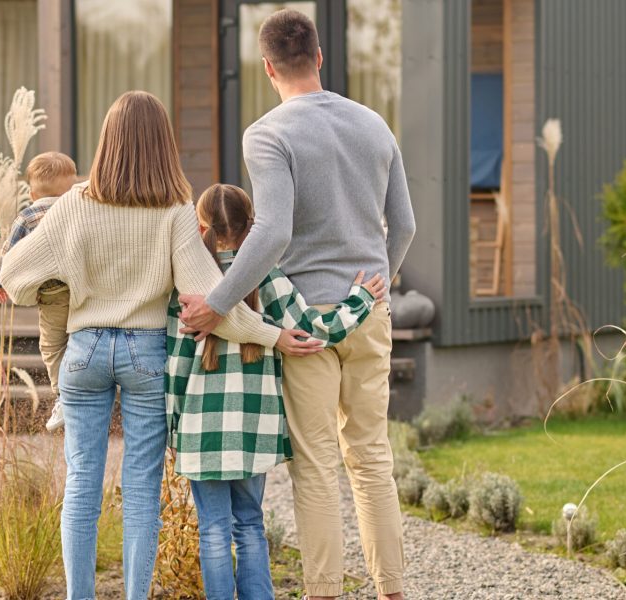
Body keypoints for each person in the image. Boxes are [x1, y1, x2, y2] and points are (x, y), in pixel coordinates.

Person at [0, 91, 324, 600]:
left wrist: (58, 288)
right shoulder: (173, 210)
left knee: (82, 483)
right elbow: (213, 305)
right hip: (145, 356)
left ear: (107, 141)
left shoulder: (73, 205)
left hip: (82, 352)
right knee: (142, 491)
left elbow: (12, 275)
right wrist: (272, 334)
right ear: (163, 145)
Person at [178, 9, 417, 599]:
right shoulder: (374, 125)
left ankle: (324, 592)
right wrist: (376, 291)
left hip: (305, 324)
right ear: (318, 58)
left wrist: (216, 303)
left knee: (316, 467)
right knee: (371, 458)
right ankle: (392, 590)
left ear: (266, 68)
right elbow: (404, 225)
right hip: (369, 311)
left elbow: (273, 231)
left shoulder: (267, 133)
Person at [167, 183, 385, 600]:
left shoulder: (189, 282)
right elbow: (313, 330)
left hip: (200, 431)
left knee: (213, 530)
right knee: (249, 524)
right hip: (255, 426)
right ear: (254, 228)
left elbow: (174, 365)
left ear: (199, 227)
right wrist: (360, 299)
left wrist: (174, 426)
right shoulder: (267, 276)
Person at [0, 151, 78, 431]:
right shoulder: (78, 209)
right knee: (78, 340)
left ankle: (64, 396)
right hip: (84, 290)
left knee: (52, 346)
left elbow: (8, 253)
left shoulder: (27, 217)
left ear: (31, 193)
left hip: (52, 296)